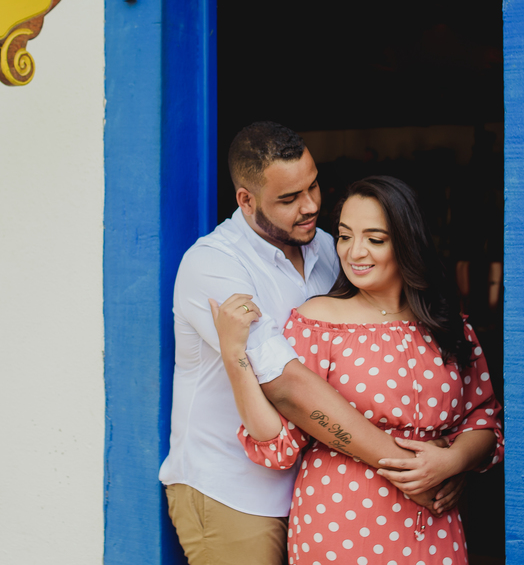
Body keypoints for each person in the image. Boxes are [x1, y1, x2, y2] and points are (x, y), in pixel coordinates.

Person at [161, 124, 462, 565]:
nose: (311, 206)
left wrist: (447, 462)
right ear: (246, 200)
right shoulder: (213, 264)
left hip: (319, 492)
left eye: (313, 185)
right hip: (236, 492)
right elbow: (285, 384)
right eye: (289, 198)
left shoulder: (331, 248)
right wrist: (412, 470)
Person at [212, 175, 503, 565]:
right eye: (345, 236)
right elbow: (279, 441)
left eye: (375, 239)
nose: (354, 252)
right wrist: (235, 356)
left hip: (436, 523)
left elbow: (483, 420)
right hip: (340, 521)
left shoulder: (448, 324)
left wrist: (453, 461)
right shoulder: (318, 322)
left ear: (408, 242)